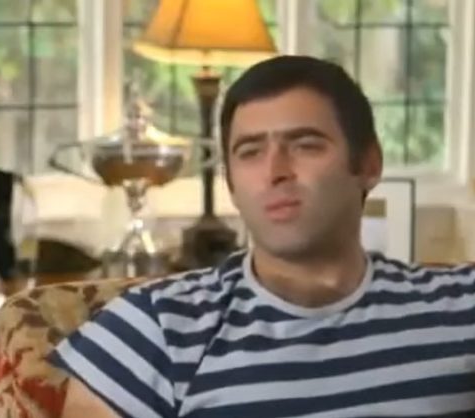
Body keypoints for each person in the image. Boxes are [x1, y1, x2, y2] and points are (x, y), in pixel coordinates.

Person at [48, 55, 475, 417]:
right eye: (250, 152)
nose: (275, 172)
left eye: (305, 145)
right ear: (232, 183)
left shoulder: (459, 308)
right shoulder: (152, 330)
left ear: (368, 164)